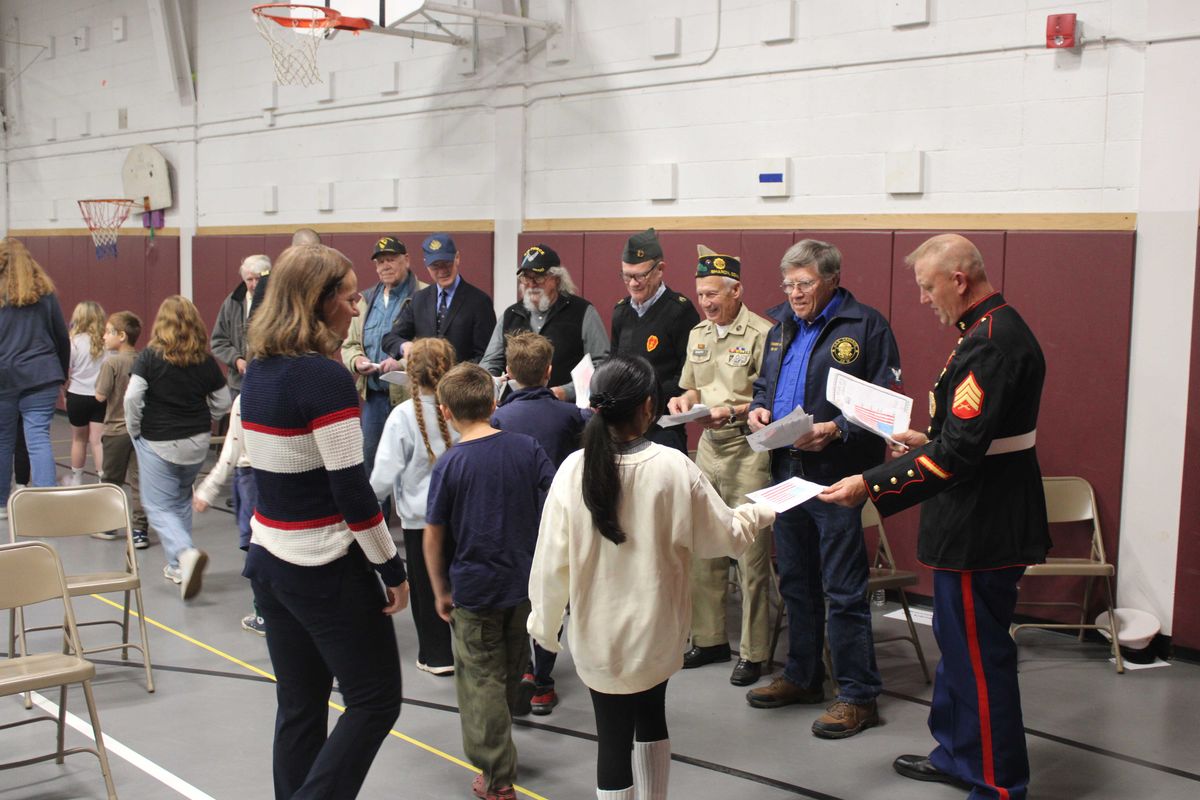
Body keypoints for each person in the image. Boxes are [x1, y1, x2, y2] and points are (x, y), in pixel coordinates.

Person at [821, 234, 1050, 799]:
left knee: (980, 659)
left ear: (959, 280)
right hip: (980, 515)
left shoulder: (989, 344)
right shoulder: (988, 329)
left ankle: (997, 784)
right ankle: (958, 753)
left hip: (983, 525)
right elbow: (971, 435)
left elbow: (964, 455)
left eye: (927, 287)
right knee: (959, 645)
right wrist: (933, 437)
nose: (923, 299)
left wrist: (868, 485)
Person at [528, 355, 775, 800]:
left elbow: (549, 562)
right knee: (651, 717)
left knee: (612, 741)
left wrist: (543, 630)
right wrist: (764, 509)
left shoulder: (572, 469)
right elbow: (726, 536)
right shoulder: (673, 467)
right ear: (648, 407)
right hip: (657, 635)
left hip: (597, 640)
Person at [240, 243, 409, 800]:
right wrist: (391, 567)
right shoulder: (322, 377)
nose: (356, 307)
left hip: (268, 563)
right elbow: (351, 490)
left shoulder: (260, 370)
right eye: (347, 295)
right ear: (317, 301)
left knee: (300, 705)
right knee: (376, 699)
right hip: (322, 568)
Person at [744, 239, 901, 739]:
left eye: (804, 284)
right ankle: (802, 676)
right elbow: (765, 385)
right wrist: (759, 409)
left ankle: (857, 696)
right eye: (788, 284)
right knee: (795, 582)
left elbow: (885, 404)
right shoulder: (780, 326)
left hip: (837, 474)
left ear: (831, 279)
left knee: (843, 590)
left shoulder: (866, 326)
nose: (794, 293)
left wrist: (836, 430)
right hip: (785, 470)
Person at [424, 362, 555, 800]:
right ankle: (515, 695)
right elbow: (555, 504)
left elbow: (435, 534)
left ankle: (497, 779)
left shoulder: (450, 463)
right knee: (511, 664)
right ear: (495, 402)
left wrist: (440, 590)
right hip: (522, 586)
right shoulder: (528, 448)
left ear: (445, 412)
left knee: (478, 682)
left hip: (474, 590)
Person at [666, 251, 775, 686]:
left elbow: (770, 398)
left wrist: (731, 409)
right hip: (708, 448)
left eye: (713, 294)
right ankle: (709, 639)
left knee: (750, 554)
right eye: (700, 295)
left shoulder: (764, 333)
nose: (706, 302)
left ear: (737, 291)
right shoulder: (698, 333)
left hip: (749, 449)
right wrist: (682, 404)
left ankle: (754, 651)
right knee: (702, 545)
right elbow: (691, 387)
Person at [490, 331, 590, 715]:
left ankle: (525, 672)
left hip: (513, 523)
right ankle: (544, 682)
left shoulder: (499, 418)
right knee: (553, 598)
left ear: (509, 373)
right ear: (550, 372)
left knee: (521, 598)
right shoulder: (571, 416)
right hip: (559, 520)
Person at [125, 296, 231, 600]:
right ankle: (176, 565)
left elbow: (133, 398)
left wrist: (135, 428)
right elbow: (223, 403)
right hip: (197, 443)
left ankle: (184, 552)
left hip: (159, 441)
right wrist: (206, 416)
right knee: (182, 499)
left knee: (157, 505)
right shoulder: (205, 360)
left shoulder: (149, 357)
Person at [369, 337, 459, 677]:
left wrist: (361, 508)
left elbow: (383, 474)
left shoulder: (401, 416)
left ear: (410, 373)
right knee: (458, 582)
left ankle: (437, 655)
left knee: (424, 587)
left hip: (420, 521)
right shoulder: (458, 407)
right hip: (458, 517)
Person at [342, 237, 426, 498]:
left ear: (407, 260)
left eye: (391, 259)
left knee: (414, 462)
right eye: (380, 262)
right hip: (375, 396)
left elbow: (427, 345)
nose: (385, 266)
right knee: (372, 461)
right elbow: (349, 343)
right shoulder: (366, 300)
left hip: (411, 396)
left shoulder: (424, 296)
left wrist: (400, 362)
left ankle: (413, 524)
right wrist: (356, 360)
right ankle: (375, 524)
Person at [480, 244, 609, 402]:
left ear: (556, 279)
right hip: (515, 409)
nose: (532, 284)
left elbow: (601, 365)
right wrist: (491, 384)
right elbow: (490, 361)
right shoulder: (511, 315)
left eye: (539, 277)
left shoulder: (582, 312)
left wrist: (566, 391)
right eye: (526, 277)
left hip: (567, 411)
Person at [611, 228, 699, 454]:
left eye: (640, 276)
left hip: (663, 426)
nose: (633, 284)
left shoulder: (679, 311)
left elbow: (688, 376)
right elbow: (614, 362)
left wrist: (644, 396)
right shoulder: (621, 311)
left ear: (660, 270)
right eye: (626, 276)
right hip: (625, 425)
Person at [0, 238, 71, 520]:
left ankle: (2, 503)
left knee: (3, 441)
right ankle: (45, 500)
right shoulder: (45, 294)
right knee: (38, 437)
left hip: (4, 376)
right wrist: (62, 374)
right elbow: (61, 337)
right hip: (42, 374)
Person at [192, 394, 263, 634]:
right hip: (265, 477)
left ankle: (264, 613)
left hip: (253, 477)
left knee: (256, 545)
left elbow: (232, 447)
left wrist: (209, 487)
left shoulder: (247, 398)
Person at [382, 233, 495, 364]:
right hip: (426, 382)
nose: (442, 271)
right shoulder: (419, 299)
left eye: (446, 264)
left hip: (461, 382)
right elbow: (390, 339)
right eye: (435, 266)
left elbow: (486, 356)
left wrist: (455, 374)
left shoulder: (479, 302)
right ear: (426, 265)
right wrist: (404, 346)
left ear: (457, 258)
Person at [94, 311, 151, 549]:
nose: (104, 336)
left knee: (111, 480)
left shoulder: (112, 363)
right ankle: (140, 531)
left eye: (108, 332)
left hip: (116, 431)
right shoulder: (144, 360)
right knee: (139, 481)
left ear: (121, 336)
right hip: (140, 432)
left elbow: (100, 396)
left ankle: (109, 525)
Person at [211, 254, 270, 400]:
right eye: (250, 280)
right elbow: (218, 341)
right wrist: (236, 359)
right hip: (239, 384)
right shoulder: (232, 302)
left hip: (270, 379)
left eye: (258, 279)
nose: (255, 284)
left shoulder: (276, 302)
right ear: (243, 280)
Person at [65, 300, 108, 486]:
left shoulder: (73, 342)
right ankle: (103, 479)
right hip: (101, 396)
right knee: (98, 441)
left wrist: (64, 392)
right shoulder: (106, 343)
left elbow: (67, 370)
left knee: (78, 439)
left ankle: (77, 479)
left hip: (77, 395)